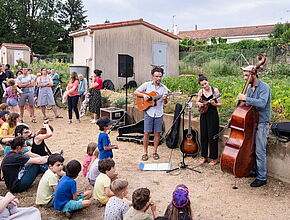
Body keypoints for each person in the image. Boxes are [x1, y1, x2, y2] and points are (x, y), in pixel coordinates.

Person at [238, 65, 271, 187]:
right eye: (244, 75)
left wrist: (246, 98)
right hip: (251, 121)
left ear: (254, 74)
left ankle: (262, 177)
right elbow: (246, 105)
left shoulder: (264, 87)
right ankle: (253, 170)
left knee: (260, 150)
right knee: (251, 147)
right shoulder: (249, 88)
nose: (244, 78)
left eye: (246, 75)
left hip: (262, 122)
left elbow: (262, 103)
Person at [134, 66, 169, 161]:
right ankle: (145, 152)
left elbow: (165, 102)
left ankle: (155, 152)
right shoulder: (147, 85)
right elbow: (136, 92)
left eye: (160, 76)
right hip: (149, 112)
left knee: (157, 133)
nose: (158, 78)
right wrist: (144, 95)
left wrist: (165, 99)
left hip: (159, 113)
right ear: (152, 76)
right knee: (146, 133)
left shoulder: (164, 89)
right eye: (157, 76)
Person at [195, 74, 221, 166]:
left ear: (208, 81)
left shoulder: (215, 90)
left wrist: (214, 104)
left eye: (205, 83)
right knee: (204, 136)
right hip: (204, 115)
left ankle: (214, 158)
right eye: (202, 85)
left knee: (212, 136)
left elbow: (220, 104)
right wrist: (200, 104)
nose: (204, 86)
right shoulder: (200, 91)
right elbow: (196, 102)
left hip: (213, 115)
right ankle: (204, 156)